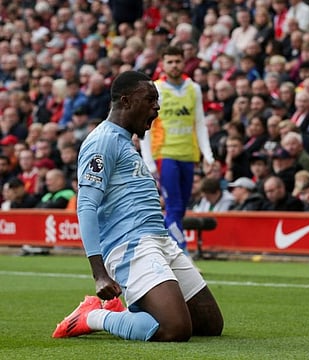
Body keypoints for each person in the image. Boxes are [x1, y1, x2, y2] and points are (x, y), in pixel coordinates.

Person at [52, 71, 223, 341]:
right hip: (131, 246)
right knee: (175, 329)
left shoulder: (125, 142)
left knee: (210, 324)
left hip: (160, 241)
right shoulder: (103, 140)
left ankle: (130, 309)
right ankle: (93, 316)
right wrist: (99, 273)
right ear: (126, 101)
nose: (157, 107)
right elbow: (85, 207)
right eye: (151, 99)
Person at [140, 46, 214, 257]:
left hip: (188, 155)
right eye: (170, 61)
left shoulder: (194, 89)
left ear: (184, 62)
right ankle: (182, 254)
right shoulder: (157, 89)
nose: (174, 65)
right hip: (165, 154)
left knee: (180, 209)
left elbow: (199, 123)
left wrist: (207, 155)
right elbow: (147, 125)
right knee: (173, 206)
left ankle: (159, 246)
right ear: (163, 64)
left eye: (177, 61)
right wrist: (149, 161)